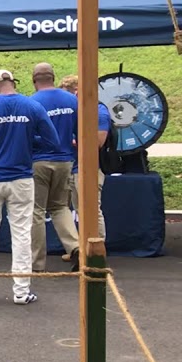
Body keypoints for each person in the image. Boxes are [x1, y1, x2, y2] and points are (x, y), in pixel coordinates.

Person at [0, 70, 61, 305]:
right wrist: (28, 142)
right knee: (21, 234)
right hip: (21, 178)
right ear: (13, 83)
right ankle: (21, 291)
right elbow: (53, 141)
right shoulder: (32, 106)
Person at [28, 63, 78, 269]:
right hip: (65, 160)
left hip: (38, 161)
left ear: (34, 81)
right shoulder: (72, 99)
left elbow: (28, 135)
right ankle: (76, 247)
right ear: (53, 77)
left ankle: (36, 262)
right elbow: (80, 130)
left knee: (36, 211)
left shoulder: (31, 103)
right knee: (60, 207)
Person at [59, 74, 110, 262]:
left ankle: (98, 252)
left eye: (69, 96)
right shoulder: (74, 111)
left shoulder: (99, 111)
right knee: (80, 210)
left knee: (93, 210)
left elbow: (97, 141)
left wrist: (73, 141)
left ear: (77, 91)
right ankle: (82, 249)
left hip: (90, 169)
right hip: (73, 168)